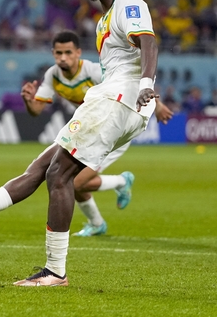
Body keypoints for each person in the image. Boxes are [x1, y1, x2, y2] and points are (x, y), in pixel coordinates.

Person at [0, 0, 161, 287]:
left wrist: (146, 83)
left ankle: (55, 271)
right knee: (40, 170)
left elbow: (148, 42)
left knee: (58, 175)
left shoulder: (129, 4)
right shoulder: (104, 18)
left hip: (117, 100)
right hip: (117, 103)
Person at [21, 30, 173, 237]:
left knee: (73, 181)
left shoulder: (93, 71)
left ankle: (121, 182)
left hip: (112, 131)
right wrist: (29, 102)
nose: (63, 58)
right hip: (89, 130)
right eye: (58, 53)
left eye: (68, 52)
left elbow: (130, 82)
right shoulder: (53, 75)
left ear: (78, 53)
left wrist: (157, 104)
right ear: (53, 53)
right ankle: (97, 223)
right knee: (69, 179)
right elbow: (36, 111)